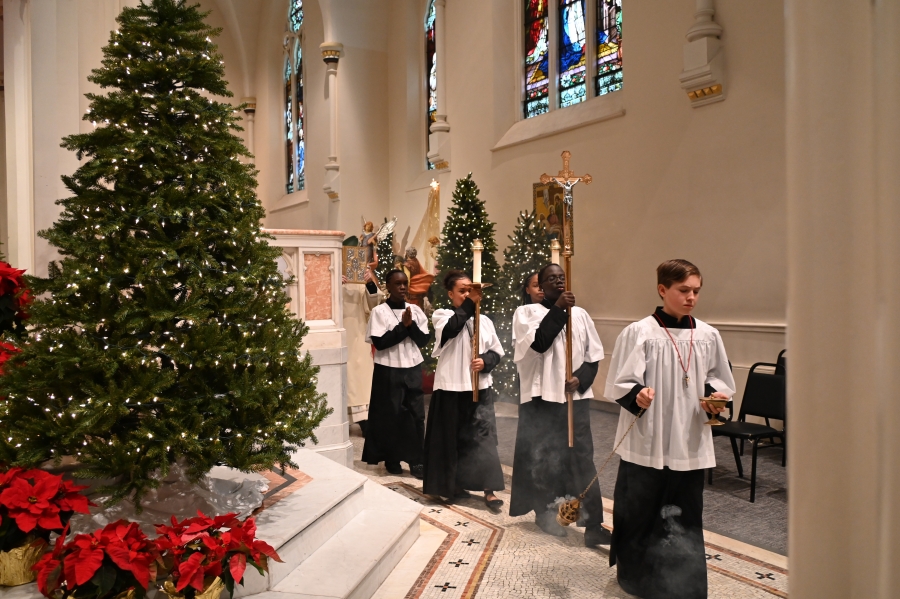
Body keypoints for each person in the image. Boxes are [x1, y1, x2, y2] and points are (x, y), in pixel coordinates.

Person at [604, 259, 735, 599]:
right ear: (663, 290)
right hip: (649, 436)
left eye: (696, 291)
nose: (691, 297)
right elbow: (620, 381)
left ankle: (685, 578)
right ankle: (637, 577)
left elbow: (718, 378)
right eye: (684, 290)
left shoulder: (708, 335)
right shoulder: (640, 332)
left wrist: (714, 397)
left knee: (686, 508)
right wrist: (639, 392)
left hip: (688, 436)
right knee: (642, 506)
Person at [509, 263, 610, 547]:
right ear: (541, 287)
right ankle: (546, 513)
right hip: (543, 399)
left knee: (582, 458)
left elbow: (594, 354)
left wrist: (581, 378)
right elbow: (539, 343)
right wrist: (559, 310)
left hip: (574, 399)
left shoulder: (581, 315)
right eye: (551, 279)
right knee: (546, 458)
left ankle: (593, 524)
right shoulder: (526, 313)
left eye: (561, 277)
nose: (559, 282)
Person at [423, 270, 505, 509]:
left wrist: (485, 362)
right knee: (450, 440)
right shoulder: (443, 315)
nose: (469, 294)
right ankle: (451, 486)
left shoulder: (486, 321)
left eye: (471, 289)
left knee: (483, 438)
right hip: (451, 386)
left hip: (479, 386)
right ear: (451, 294)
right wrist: (470, 304)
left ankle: (489, 490)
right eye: (463, 291)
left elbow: (496, 352)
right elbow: (451, 330)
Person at [362, 270, 431, 478]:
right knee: (391, 416)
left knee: (416, 415)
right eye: (397, 284)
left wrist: (410, 327)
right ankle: (392, 458)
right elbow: (381, 343)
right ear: (388, 286)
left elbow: (423, 341)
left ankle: (417, 460)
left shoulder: (415, 310)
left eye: (405, 283)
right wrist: (403, 327)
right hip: (388, 368)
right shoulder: (379, 312)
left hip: (412, 367)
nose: (402, 287)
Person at [342, 269, 383, 434]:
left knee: (360, 380)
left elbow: (375, 305)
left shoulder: (359, 279)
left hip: (357, 333)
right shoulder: (328, 275)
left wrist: (369, 283)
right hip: (336, 330)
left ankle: (365, 420)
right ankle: (340, 420)